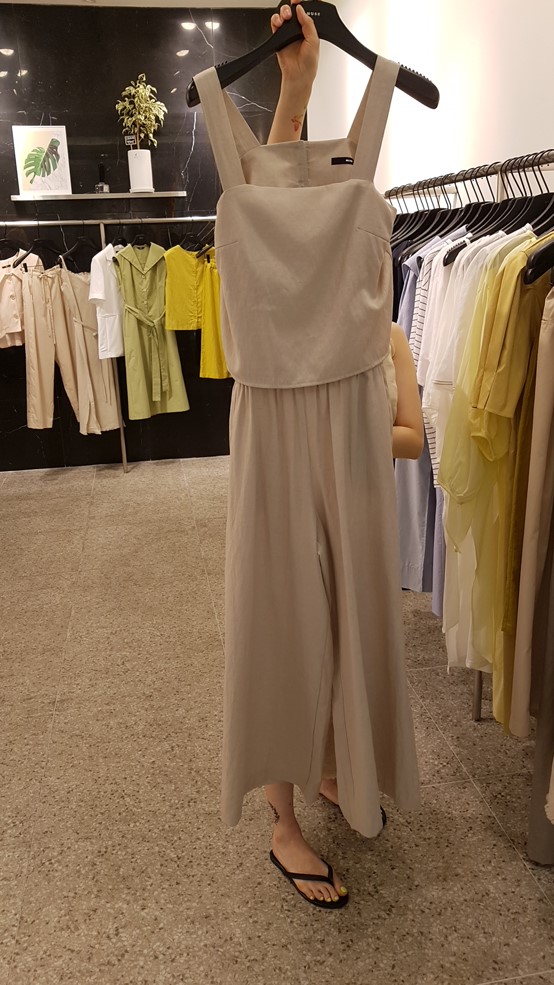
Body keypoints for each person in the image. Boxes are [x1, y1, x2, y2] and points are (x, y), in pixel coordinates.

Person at [260, 1, 424, 907]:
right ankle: (280, 823)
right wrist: (295, 90)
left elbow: (412, 430)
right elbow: (264, 190)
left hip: (353, 426)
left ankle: (337, 764)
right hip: (282, 425)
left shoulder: (364, 166)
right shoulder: (265, 191)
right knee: (283, 618)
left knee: (350, 615)